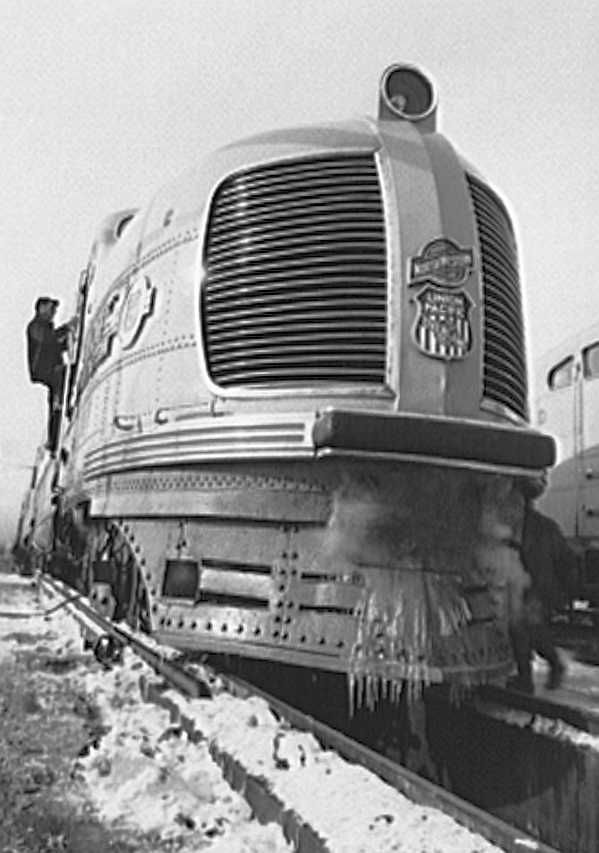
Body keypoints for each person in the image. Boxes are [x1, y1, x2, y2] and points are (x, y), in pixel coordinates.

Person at [509, 477, 577, 693]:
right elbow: (566, 559)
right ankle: (531, 675)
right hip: (537, 586)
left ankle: (539, 672)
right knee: (523, 629)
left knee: (524, 629)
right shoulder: (547, 525)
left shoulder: (518, 526)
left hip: (534, 588)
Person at [26, 297, 72, 453]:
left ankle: (54, 437)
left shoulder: (45, 327)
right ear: (41, 309)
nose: (54, 313)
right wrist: (66, 329)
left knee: (55, 400)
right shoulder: (35, 326)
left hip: (51, 368)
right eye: (51, 309)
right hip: (45, 370)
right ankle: (54, 439)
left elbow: (54, 345)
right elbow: (48, 341)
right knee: (57, 397)